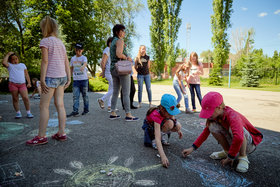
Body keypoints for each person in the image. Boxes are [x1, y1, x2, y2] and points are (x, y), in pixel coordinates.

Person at [182, 92, 263, 173]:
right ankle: (227, 151)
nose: (207, 115)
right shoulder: (214, 117)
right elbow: (205, 133)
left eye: (209, 111)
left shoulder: (233, 116)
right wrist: (192, 148)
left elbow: (238, 138)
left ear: (219, 107)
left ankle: (243, 157)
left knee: (235, 129)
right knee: (211, 126)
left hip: (248, 145)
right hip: (235, 142)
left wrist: (231, 157)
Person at [26, 16, 71, 145]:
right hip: (61, 77)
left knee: (44, 106)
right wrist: (69, 78)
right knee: (60, 105)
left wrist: (42, 79)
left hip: (51, 77)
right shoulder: (60, 42)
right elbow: (66, 61)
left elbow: (45, 61)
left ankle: (41, 136)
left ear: (44, 28)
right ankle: (62, 133)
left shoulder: (45, 41)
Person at [142, 94, 183, 168]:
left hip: (161, 124)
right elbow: (158, 138)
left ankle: (163, 135)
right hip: (150, 128)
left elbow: (173, 119)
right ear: (163, 110)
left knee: (177, 125)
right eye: (170, 113)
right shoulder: (156, 114)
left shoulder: (166, 112)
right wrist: (163, 156)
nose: (172, 115)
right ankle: (153, 140)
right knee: (169, 124)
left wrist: (178, 130)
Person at [109, 24, 138, 121]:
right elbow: (118, 54)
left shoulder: (112, 41)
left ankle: (113, 112)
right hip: (122, 68)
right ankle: (128, 114)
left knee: (115, 92)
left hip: (113, 69)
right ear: (118, 32)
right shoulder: (120, 40)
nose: (124, 32)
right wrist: (127, 58)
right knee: (126, 92)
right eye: (122, 30)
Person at [2, 52, 34, 119]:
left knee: (26, 98)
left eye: (16, 59)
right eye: (13, 59)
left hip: (22, 84)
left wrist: (29, 82)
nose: (15, 61)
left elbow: (26, 74)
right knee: (15, 99)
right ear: (10, 60)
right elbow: (4, 63)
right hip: (13, 84)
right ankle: (18, 113)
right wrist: (7, 54)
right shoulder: (10, 65)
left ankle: (28, 112)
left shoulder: (22, 65)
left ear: (18, 59)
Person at [67, 43, 89, 117]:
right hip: (76, 80)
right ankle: (75, 111)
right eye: (76, 50)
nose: (78, 51)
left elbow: (85, 63)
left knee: (85, 96)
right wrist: (69, 77)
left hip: (84, 80)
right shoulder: (73, 58)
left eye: (79, 50)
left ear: (82, 50)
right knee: (75, 96)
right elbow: (71, 68)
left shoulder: (84, 58)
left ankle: (86, 110)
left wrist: (83, 66)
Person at [97, 37, 114, 112]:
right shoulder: (107, 49)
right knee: (115, 88)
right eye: (111, 42)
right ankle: (102, 99)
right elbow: (103, 62)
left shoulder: (112, 50)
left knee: (110, 89)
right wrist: (103, 72)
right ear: (109, 43)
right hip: (109, 72)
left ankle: (110, 106)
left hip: (112, 72)